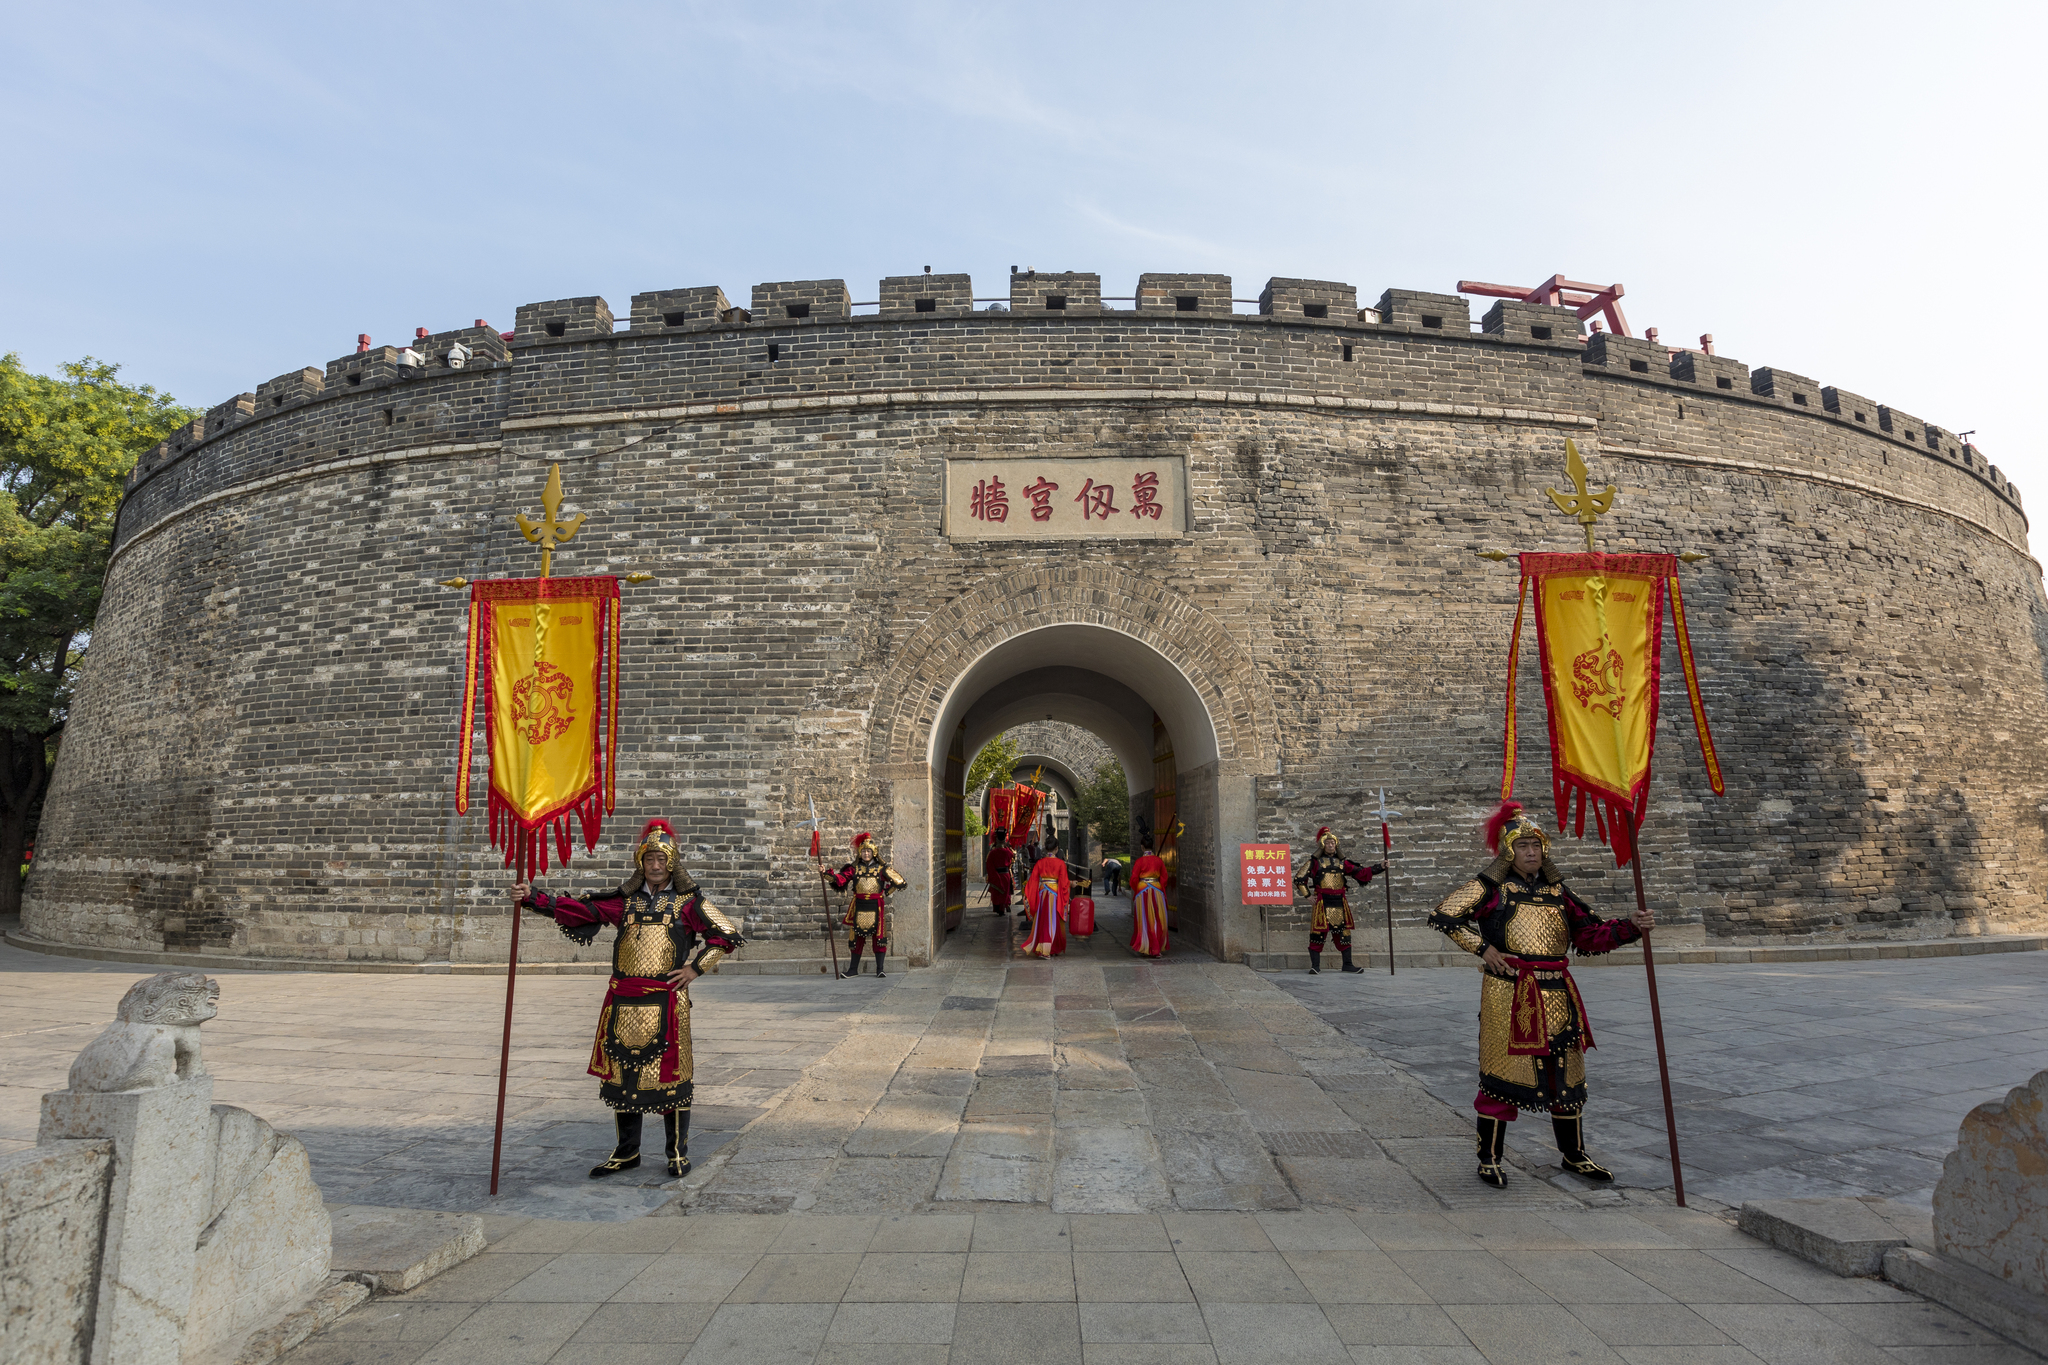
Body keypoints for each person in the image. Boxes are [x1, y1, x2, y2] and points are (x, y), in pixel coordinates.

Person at [1427, 800, 1653, 1188]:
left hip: (1558, 992)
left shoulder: (1559, 892)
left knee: (1566, 1077)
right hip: (1509, 993)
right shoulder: (1489, 887)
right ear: (1508, 850)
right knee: (1502, 1075)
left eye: (1536, 845)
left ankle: (1574, 1155)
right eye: (1522, 846)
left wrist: (1630, 927)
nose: (1531, 852)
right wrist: (1484, 949)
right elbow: (1444, 915)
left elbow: (1589, 936)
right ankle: (1489, 1159)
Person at [513, 818, 745, 1180]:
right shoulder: (626, 902)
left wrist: (694, 969)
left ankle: (676, 1153)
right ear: (641, 861)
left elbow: (726, 935)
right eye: (649, 859)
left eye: (662, 859)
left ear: (672, 862)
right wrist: (533, 898)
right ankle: (627, 1152)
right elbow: (583, 912)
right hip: (622, 1003)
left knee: (671, 1077)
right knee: (623, 1077)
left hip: (666, 1001)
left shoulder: (689, 902)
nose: (655, 866)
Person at [1293, 827, 1386, 975]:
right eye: (1328, 843)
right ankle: (1315, 966)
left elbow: (1360, 873)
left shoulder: (1343, 863)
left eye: (1333, 843)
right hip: (1322, 903)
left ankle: (1348, 964)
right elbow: (1299, 879)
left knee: (1343, 934)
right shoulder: (1314, 863)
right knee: (1318, 934)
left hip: (1339, 903)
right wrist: (1308, 896)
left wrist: (1379, 867)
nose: (1331, 845)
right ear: (1322, 845)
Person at [830, 832, 908, 977]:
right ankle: (853, 970)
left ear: (874, 852)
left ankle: (880, 969)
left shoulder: (881, 868)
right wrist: (829, 875)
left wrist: (887, 890)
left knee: (879, 938)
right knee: (856, 937)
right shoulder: (854, 868)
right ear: (860, 852)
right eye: (864, 851)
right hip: (858, 905)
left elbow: (900, 882)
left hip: (876, 905)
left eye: (869, 851)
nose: (866, 853)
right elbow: (841, 879)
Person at [1020, 845, 1069, 958]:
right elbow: (1064, 882)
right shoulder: (1060, 863)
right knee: (1053, 921)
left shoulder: (1040, 863)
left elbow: (1033, 880)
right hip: (1055, 893)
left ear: (1046, 849)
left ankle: (1045, 947)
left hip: (1043, 893)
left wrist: (1029, 893)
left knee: (1043, 920)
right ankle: (1050, 949)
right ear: (1056, 848)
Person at [1127, 834, 1168, 958]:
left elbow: (1134, 878)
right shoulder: (1158, 860)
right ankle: (1157, 948)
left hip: (1142, 891)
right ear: (1152, 846)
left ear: (1142, 847)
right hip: (1157, 890)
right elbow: (1164, 877)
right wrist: (1159, 887)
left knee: (1145, 921)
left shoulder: (1139, 861)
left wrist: (1137, 888)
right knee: (1158, 919)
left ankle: (1146, 946)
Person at [985, 826, 1015, 916]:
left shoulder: (992, 853)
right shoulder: (1008, 852)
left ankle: (998, 909)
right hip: (1006, 875)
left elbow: (989, 865)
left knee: (997, 893)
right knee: (1005, 893)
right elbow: (1011, 859)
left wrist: (993, 876)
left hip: (996, 874)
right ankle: (1004, 907)